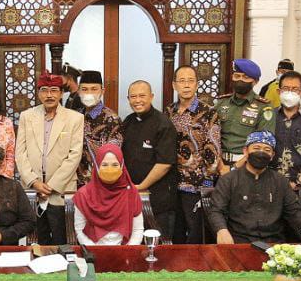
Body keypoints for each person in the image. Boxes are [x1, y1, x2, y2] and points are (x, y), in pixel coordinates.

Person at [16, 71, 85, 245]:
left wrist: (52, 186)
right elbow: (20, 153)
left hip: (61, 190)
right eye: (44, 90)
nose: (49, 95)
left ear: (61, 93)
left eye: (54, 90)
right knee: (36, 241)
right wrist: (34, 181)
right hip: (33, 189)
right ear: (38, 93)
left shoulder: (75, 118)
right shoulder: (27, 116)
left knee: (63, 240)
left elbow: (75, 155)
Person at [207, 132, 301, 244]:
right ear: (245, 151)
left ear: (272, 156)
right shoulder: (228, 180)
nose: (261, 153)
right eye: (256, 148)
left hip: (274, 244)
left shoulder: (280, 181)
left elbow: (296, 212)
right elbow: (216, 210)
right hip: (239, 243)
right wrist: (221, 230)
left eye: (267, 150)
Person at [169, 64, 222, 243]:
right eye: (182, 81)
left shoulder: (209, 112)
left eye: (190, 81)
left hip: (197, 185)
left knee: (195, 234)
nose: (186, 85)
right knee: (175, 233)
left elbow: (213, 149)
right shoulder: (168, 112)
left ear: (197, 84)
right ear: (174, 85)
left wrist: (208, 181)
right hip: (172, 183)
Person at [120, 80, 178, 238]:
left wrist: (141, 187)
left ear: (151, 97)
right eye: (133, 97)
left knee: (158, 243)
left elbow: (165, 164)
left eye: (142, 96)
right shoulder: (128, 122)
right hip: (132, 195)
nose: (137, 100)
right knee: (133, 242)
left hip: (158, 199)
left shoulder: (163, 124)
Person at [73, 143, 145, 246]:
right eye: (104, 165)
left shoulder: (131, 192)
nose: (109, 169)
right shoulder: (83, 195)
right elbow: (80, 230)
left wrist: (127, 251)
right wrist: (94, 252)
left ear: (122, 166)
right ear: (97, 166)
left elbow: (137, 230)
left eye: (115, 165)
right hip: (92, 250)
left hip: (124, 250)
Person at [215, 58, 275, 169]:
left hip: (247, 165)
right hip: (219, 163)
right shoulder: (221, 103)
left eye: (246, 77)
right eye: (237, 76)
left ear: (255, 81)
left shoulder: (264, 107)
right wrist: (220, 166)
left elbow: (262, 145)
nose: (240, 80)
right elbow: (211, 135)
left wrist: (234, 167)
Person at [75, 70, 122, 186]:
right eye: (84, 89)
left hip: (101, 181)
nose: (89, 93)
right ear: (78, 91)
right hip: (76, 182)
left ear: (102, 91)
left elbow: (112, 156)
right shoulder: (76, 115)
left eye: (94, 89)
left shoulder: (111, 119)